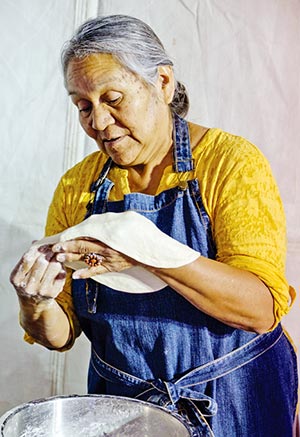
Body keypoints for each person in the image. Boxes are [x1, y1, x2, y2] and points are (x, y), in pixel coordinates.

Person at [10, 14, 298, 436]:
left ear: (162, 83)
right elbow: (62, 332)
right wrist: (34, 304)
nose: (100, 123)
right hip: (130, 408)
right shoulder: (78, 188)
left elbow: (258, 310)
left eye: (113, 98)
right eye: (83, 107)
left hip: (238, 395)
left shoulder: (229, 163)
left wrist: (147, 252)